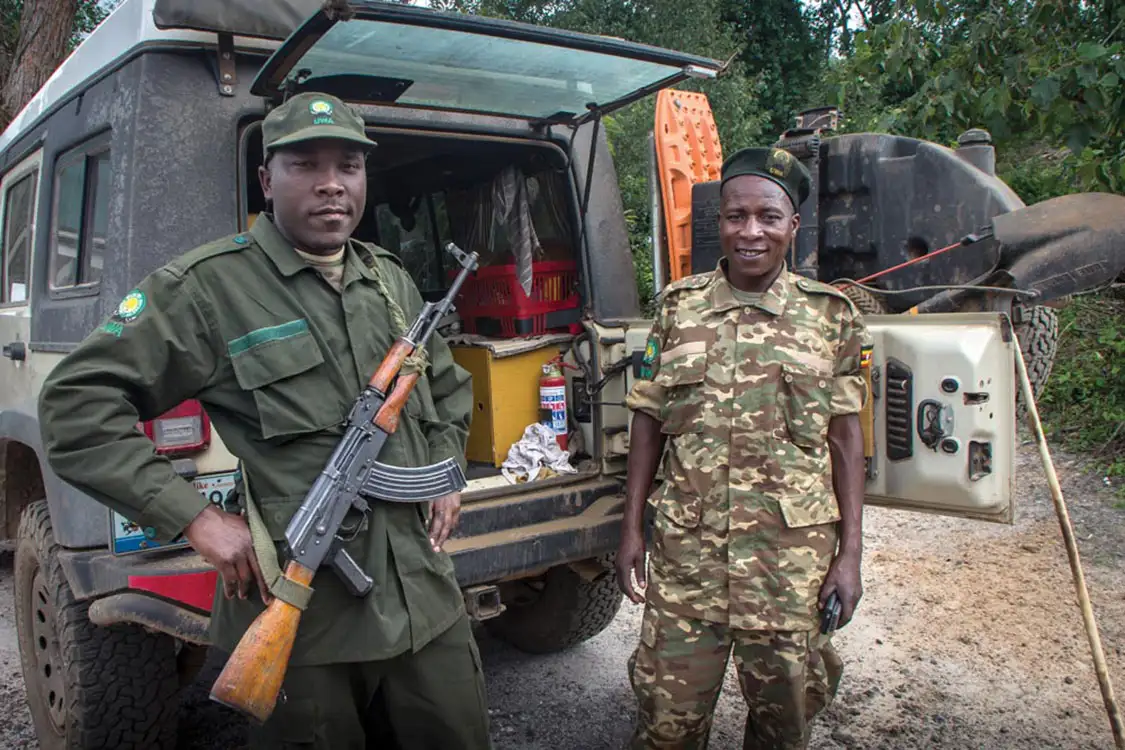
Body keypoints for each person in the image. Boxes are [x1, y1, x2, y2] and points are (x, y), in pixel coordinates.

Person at [37, 92, 493, 749]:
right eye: (305, 165)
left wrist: (444, 472)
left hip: (424, 596)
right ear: (265, 181)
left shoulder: (388, 280)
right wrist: (194, 516)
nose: (331, 184)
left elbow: (445, 385)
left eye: (348, 166)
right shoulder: (205, 288)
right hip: (307, 615)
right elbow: (74, 405)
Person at [615, 146, 869, 749]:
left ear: (793, 226)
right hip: (687, 561)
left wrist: (851, 555)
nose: (750, 232)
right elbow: (649, 421)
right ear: (720, 222)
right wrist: (631, 530)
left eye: (768, 217)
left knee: (785, 725)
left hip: (787, 568)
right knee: (665, 723)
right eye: (736, 216)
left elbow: (846, 437)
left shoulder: (831, 317)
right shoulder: (679, 308)